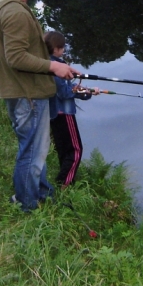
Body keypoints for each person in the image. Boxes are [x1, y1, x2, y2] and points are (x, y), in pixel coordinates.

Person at [0, 0, 78, 211]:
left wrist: (58, 66)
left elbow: (24, 53)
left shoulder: (7, 5)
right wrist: (53, 65)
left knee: (36, 150)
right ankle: (28, 205)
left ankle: (42, 193)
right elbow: (15, 57)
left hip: (22, 91)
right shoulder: (15, 12)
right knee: (32, 154)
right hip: (28, 95)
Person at [44, 31, 98, 187]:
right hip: (64, 113)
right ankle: (65, 184)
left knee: (63, 148)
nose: (64, 50)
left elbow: (68, 87)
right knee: (75, 150)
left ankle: (64, 178)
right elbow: (64, 92)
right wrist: (83, 93)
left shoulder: (46, 63)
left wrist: (87, 90)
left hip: (54, 114)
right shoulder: (57, 68)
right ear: (57, 48)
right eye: (62, 47)